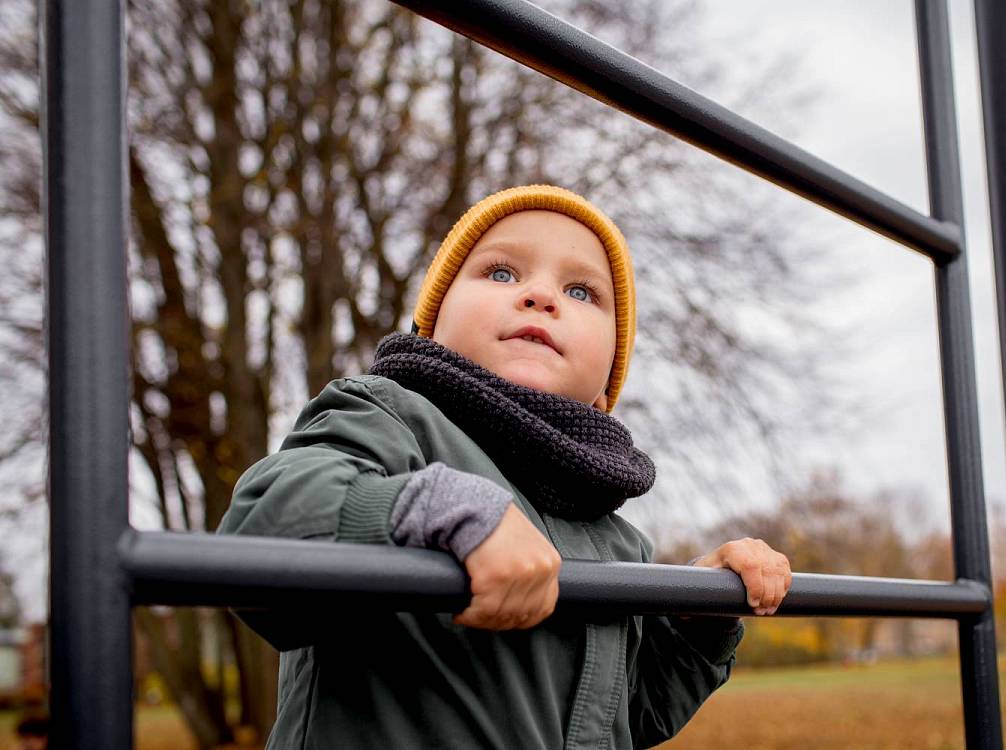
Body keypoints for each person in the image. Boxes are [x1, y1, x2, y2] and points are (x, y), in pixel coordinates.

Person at [217, 184, 792, 749]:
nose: (542, 296)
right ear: (434, 321)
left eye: (582, 291)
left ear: (608, 377)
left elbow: (629, 716)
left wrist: (702, 614)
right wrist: (434, 510)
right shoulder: (389, 416)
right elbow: (266, 525)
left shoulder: (619, 541)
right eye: (501, 273)